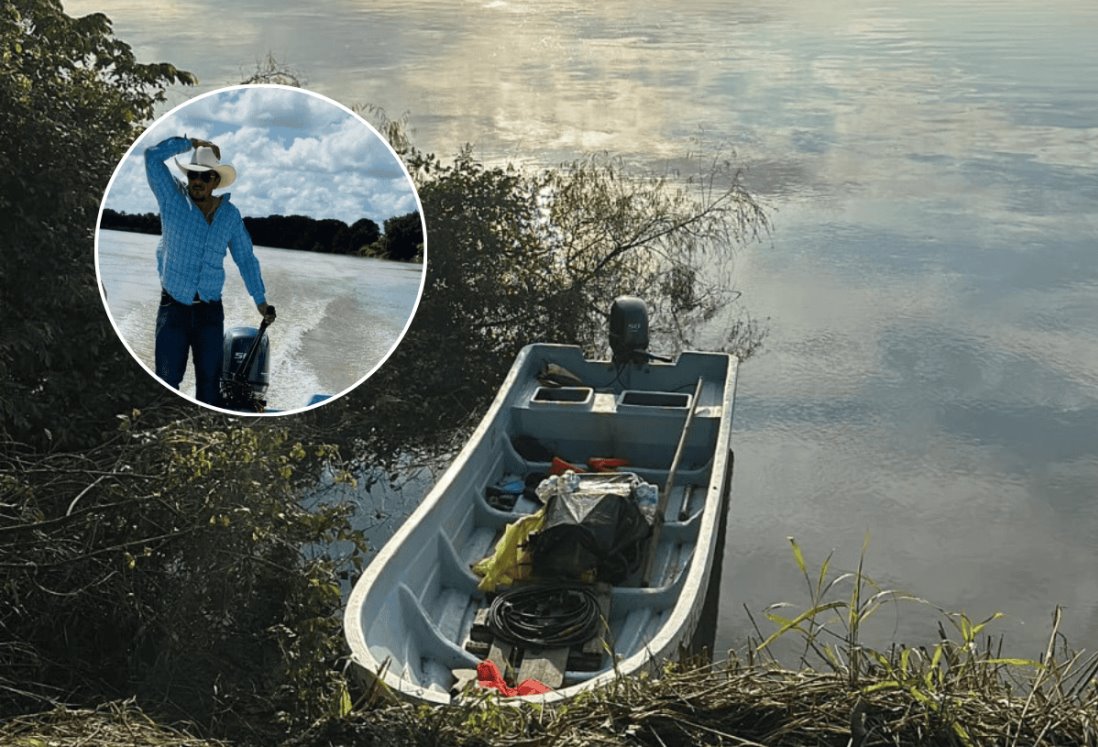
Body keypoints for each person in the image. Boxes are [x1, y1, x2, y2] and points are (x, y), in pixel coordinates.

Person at [144, 135, 275, 405]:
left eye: (205, 177)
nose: (197, 182)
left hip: (209, 314)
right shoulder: (171, 197)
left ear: (215, 181)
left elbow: (246, 258)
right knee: (166, 384)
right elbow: (151, 156)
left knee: (208, 389)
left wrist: (260, 301)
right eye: (193, 175)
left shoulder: (230, 215)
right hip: (173, 310)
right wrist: (191, 143)